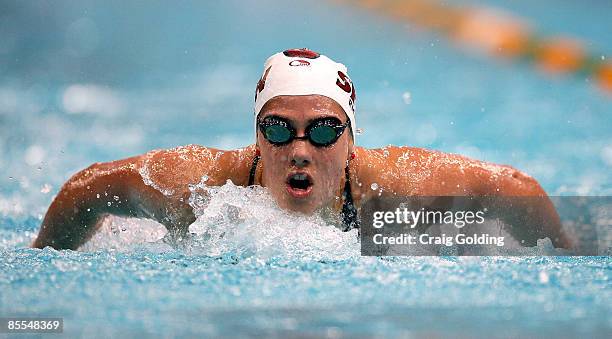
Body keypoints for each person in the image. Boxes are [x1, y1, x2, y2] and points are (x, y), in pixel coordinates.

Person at [32, 48, 572, 250]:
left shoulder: (396, 188)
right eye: (278, 129)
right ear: (256, 136)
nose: (298, 149)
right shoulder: (199, 187)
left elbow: (517, 191)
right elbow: (87, 188)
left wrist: (568, 263)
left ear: (351, 142)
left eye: (321, 131)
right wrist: (45, 268)